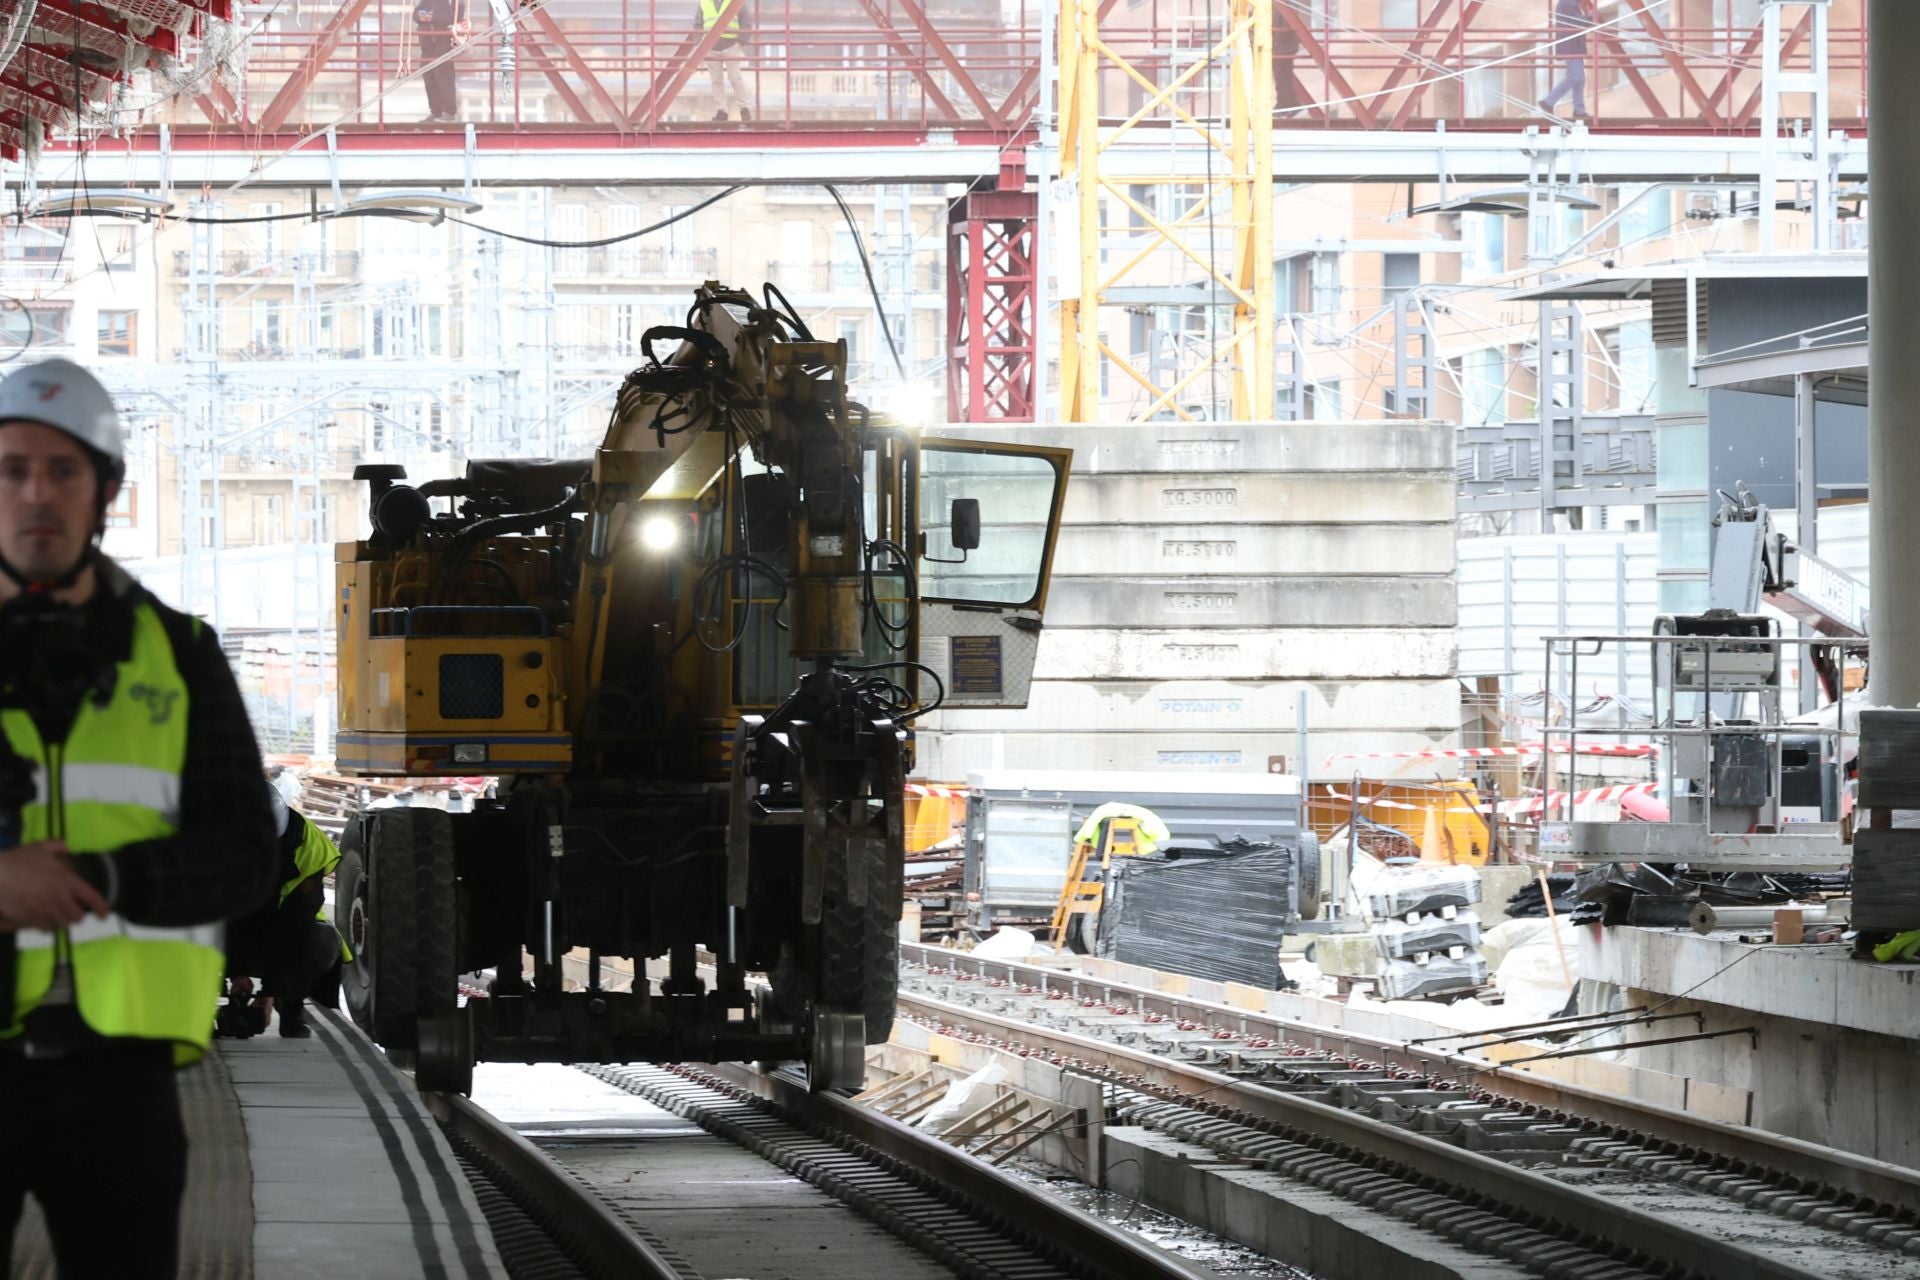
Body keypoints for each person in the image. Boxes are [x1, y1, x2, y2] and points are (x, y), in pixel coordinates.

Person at [0, 357, 279, 1277]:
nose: (36, 493)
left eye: (64, 471)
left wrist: (111, 880)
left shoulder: (183, 656)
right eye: (11, 470)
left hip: (119, 1081)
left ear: (106, 490)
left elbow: (245, 851)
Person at [215, 781, 344, 1042]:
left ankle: (291, 1010)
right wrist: (237, 972)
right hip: (234, 930)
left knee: (322, 942)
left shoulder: (308, 846)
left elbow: (294, 923)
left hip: (286, 930)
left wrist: (270, 992)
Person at [1539, 0, 1596, 121]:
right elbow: (1579, 23)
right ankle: (1548, 102)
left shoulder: (1569, 3)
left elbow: (1577, 23)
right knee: (1575, 76)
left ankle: (1579, 110)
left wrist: (1589, 15)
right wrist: (1591, 15)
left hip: (1574, 46)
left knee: (1580, 78)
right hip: (1571, 46)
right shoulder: (1568, 3)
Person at [700, 0, 752, 123]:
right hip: (710, 47)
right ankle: (721, 111)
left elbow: (746, 21)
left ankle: (744, 108)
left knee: (735, 78)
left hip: (731, 45)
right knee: (716, 80)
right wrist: (701, 45)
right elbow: (698, 24)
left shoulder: (736, 2)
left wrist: (741, 42)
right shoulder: (704, 3)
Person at [414, 0, 459, 123]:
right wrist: (427, 17)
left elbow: (448, 18)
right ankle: (435, 111)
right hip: (427, 46)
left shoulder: (446, 4)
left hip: (442, 46)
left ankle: (449, 112)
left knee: (444, 79)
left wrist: (429, 17)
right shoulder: (425, 2)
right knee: (429, 78)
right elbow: (416, 15)